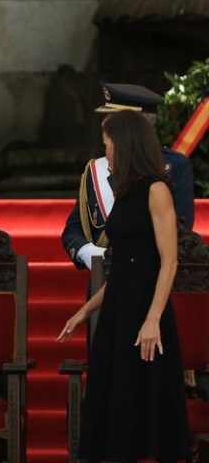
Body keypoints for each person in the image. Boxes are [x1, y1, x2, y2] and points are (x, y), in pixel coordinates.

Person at [58, 109, 190, 462]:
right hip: (118, 312)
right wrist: (85, 311)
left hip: (146, 313)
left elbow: (168, 262)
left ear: (125, 143)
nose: (106, 151)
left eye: (108, 143)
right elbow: (125, 270)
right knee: (115, 404)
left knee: (145, 409)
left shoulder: (157, 189)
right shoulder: (126, 191)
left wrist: (153, 320)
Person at [62, 83, 194, 271]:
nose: (105, 123)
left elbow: (181, 231)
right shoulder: (95, 169)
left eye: (113, 119)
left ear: (137, 127)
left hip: (149, 276)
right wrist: (87, 252)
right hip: (102, 280)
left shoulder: (174, 167)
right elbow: (72, 229)